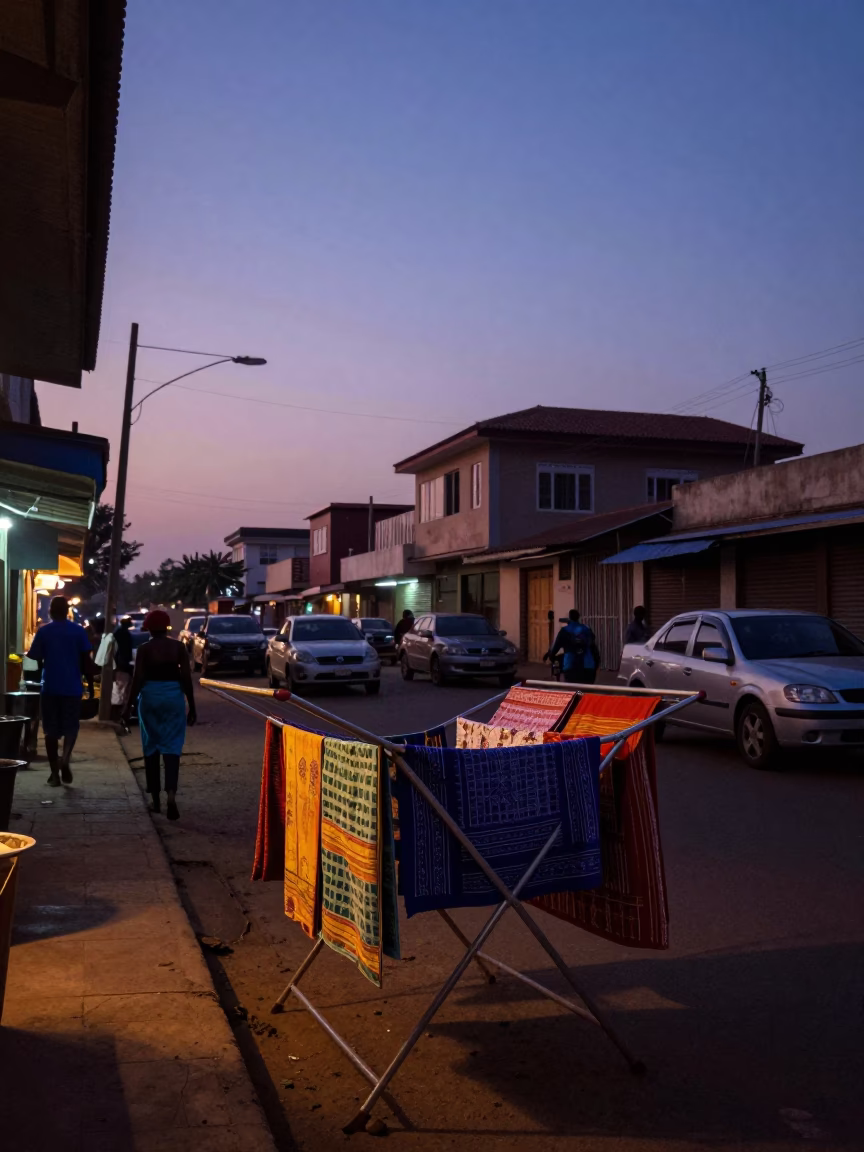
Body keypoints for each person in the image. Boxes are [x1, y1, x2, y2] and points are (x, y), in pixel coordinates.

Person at [122, 609, 196, 820]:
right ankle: (171, 795)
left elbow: (137, 679)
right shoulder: (178, 647)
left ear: (149, 629)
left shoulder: (145, 649)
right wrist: (192, 707)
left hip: (150, 699)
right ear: (166, 628)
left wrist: (127, 708)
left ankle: (155, 800)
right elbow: (186, 678)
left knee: (151, 746)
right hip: (173, 699)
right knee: (173, 747)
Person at [26, 595, 96, 786]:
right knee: (71, 727)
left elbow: (34, 656)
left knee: (50, 731)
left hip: (50, 687)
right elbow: (86, 662)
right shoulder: (78, 631)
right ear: (67, 611)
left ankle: (54, 774)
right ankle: (65, 758)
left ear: (50, 611)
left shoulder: (44, 632)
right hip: (72, 688)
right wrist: (89, 686)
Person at [543, 609, 600, 685]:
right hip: (588, 668)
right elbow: (594, 648)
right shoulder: (587, 629)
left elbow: (554, 650)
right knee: (587, 693)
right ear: (578, 617)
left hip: (571, 668)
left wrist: (552, 658)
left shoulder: (564, 631)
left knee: (573, 692)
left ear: (569, 618)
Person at [112, 616, 134, 709]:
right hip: (121, 662)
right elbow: (124, 649)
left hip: (121, 662)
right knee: (121, 687)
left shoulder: (120, 632)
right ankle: (119, 706)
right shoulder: (124, 633)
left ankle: (120, 705)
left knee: (120, 687)